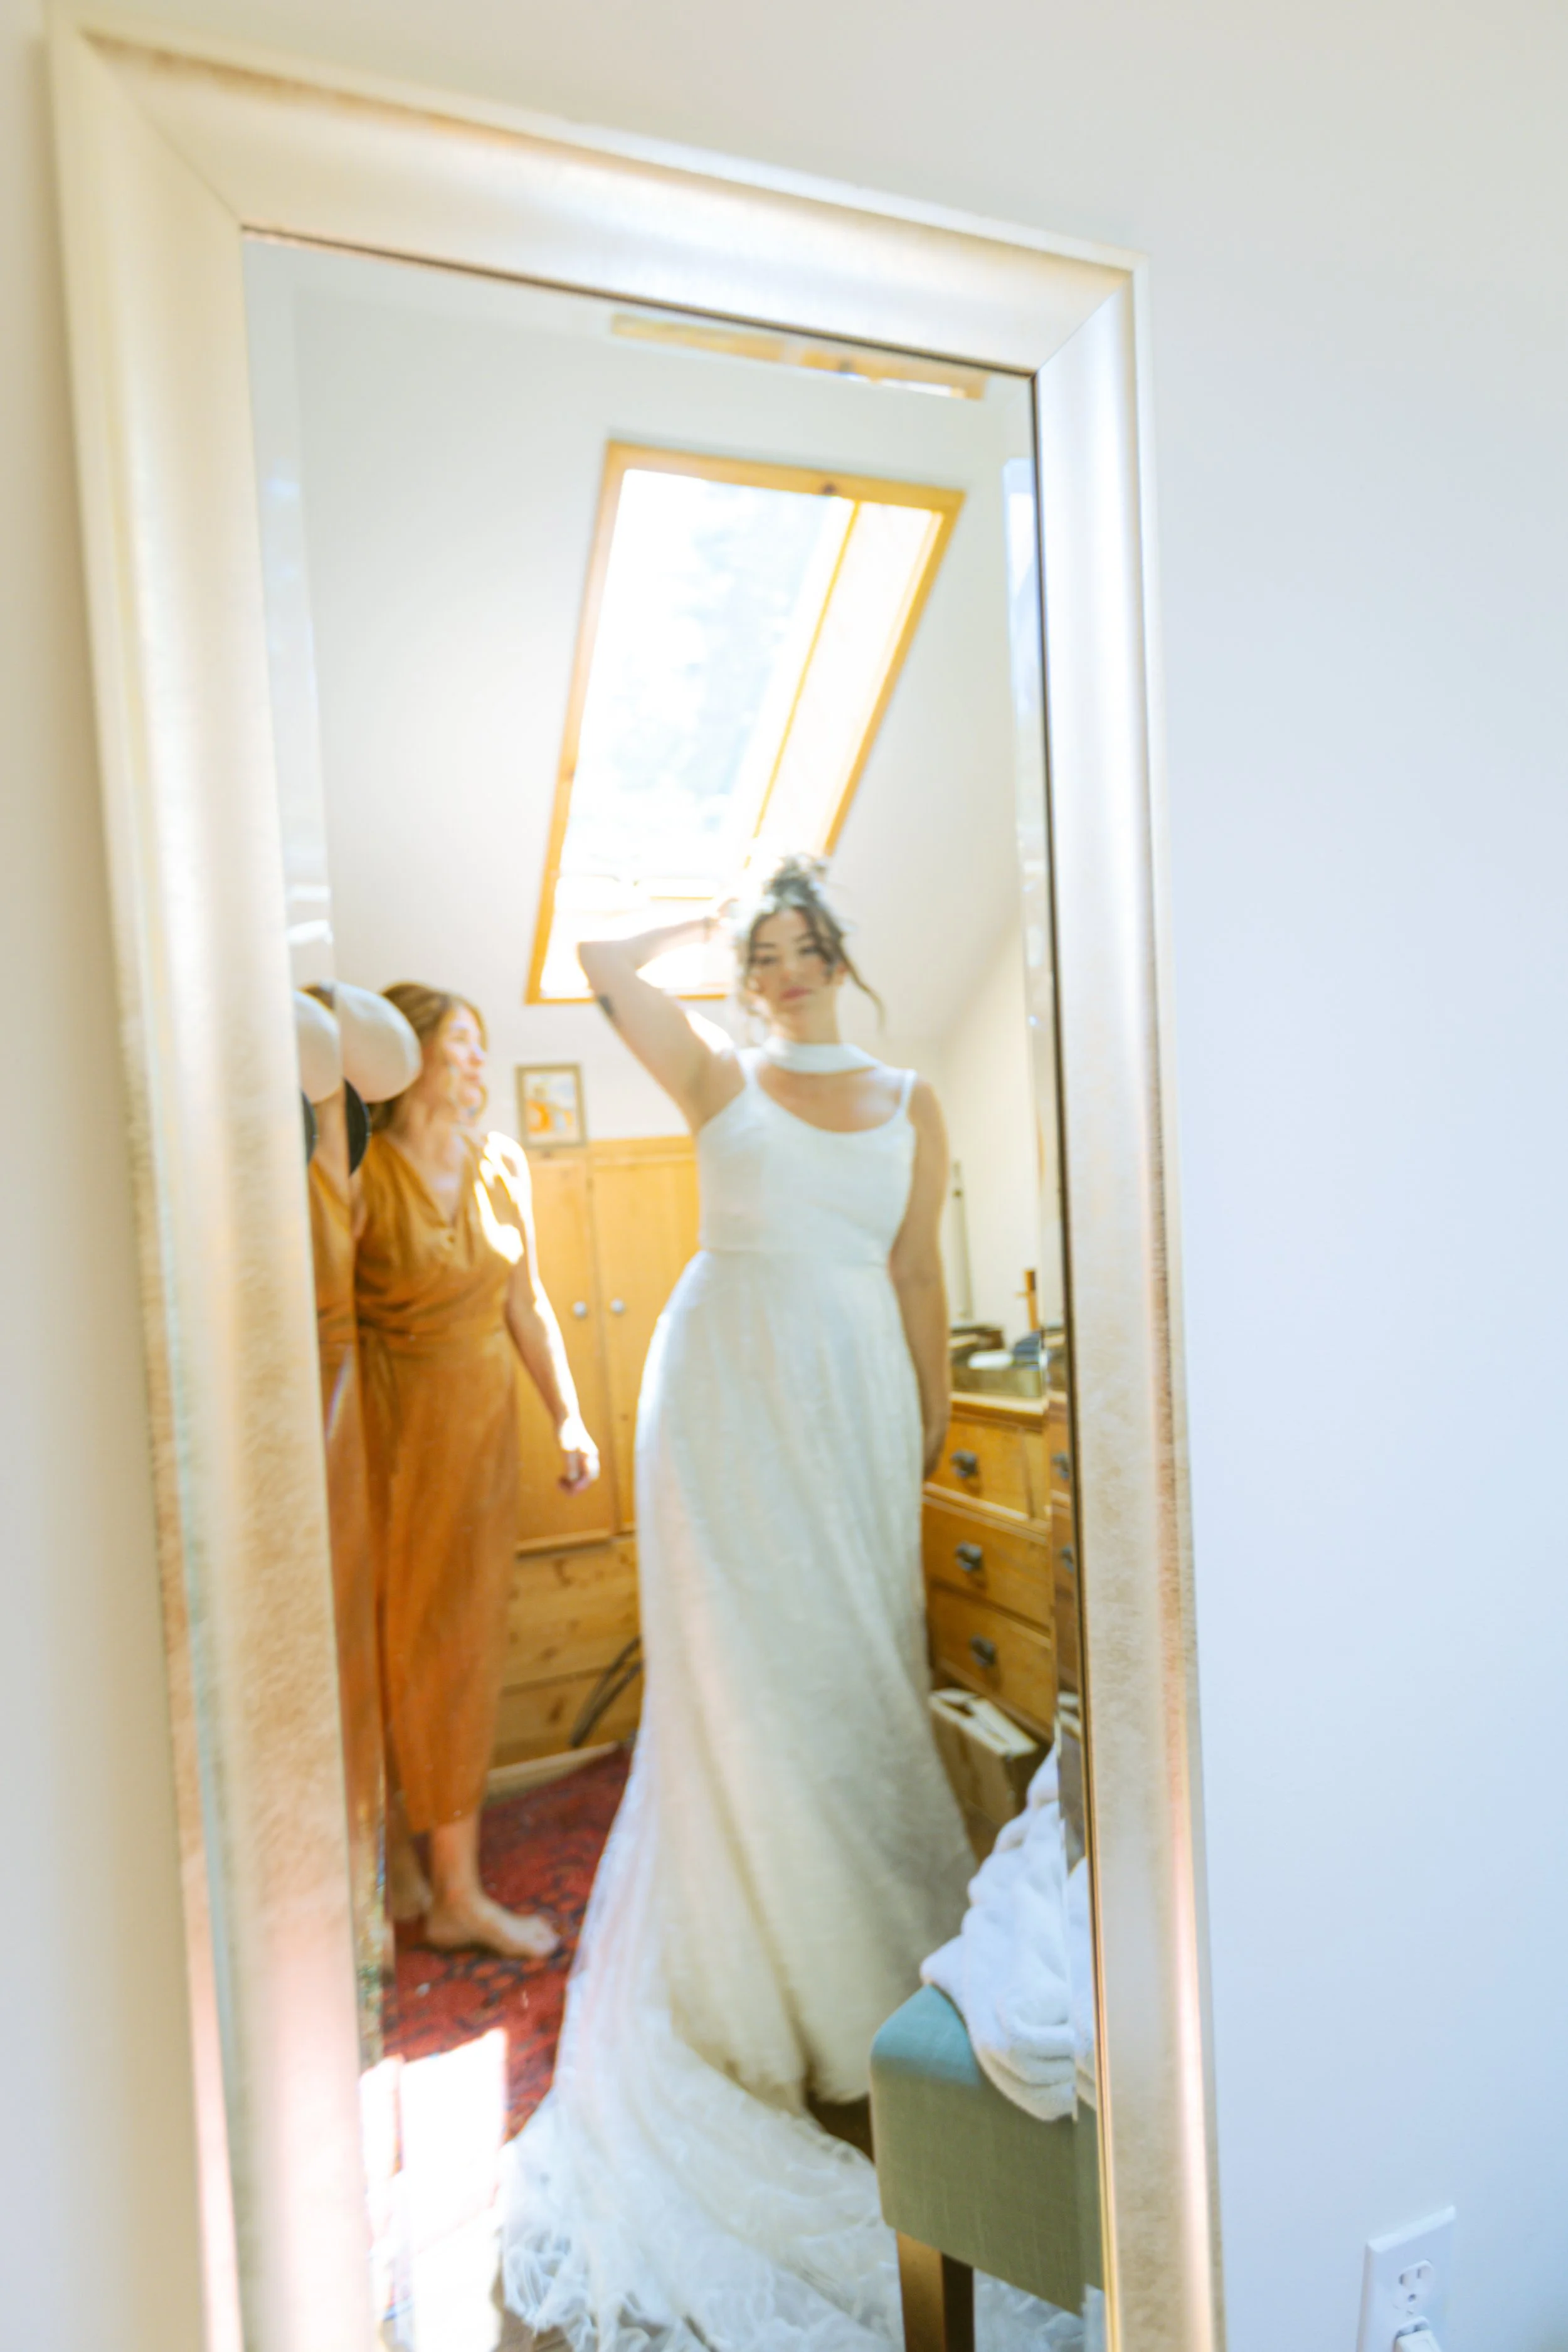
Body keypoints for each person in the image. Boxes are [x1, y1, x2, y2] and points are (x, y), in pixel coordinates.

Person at [502, 857, 976, 2348]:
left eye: (797, 948)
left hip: (851, 1403)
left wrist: (927, 1423)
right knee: (747, 1690)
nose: (778, 973)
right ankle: (756, 1995)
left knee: (852, 1675)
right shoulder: (718, 1076)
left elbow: (913, 1278)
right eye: (757, 954)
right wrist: (696, 915)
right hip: (721, 1402)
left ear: (839, 954)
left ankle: (867, 1988)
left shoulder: (912, 1099)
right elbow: (594, 957)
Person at [356, 983, 598, 1960]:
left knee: (458, 1649)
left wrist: (570, 1413)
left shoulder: (502, 1163)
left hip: (481, 1429)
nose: (476, 1064)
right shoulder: (359, 1169)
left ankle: (452, 1887)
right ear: (408, 1055)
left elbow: (528, 1302)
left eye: (480, 1048)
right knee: (381, 1647)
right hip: (385, 1432)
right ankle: (400, 1866)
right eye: (460, 1044)